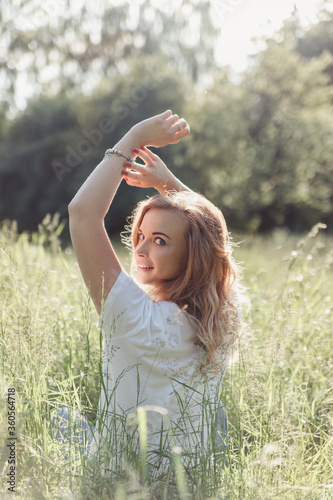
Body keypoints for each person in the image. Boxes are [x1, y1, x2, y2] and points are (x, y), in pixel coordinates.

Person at [67, 109, 241, 474]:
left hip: (118, 480)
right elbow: (214, 234)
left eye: (160, 241)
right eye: (141, 237)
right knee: (217, 417)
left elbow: (83, 213)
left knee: (61, 417)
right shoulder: (223, 313)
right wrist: (169, 185)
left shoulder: (133, 315)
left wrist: (131, 138)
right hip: (188, 479)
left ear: (192, 252)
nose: (142, 250)